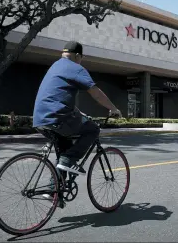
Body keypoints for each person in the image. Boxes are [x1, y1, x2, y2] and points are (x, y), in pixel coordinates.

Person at [33, 41, 122, 175]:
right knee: (93, 129)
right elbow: (95, 93)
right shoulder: (76, 68)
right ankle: (68, 160)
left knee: (64, 152)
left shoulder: (55, 66)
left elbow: (58, 97)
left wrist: (80, 113)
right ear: (78, 56)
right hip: (58, 118)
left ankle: (54, 191)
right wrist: (114, 109)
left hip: (40, 119)